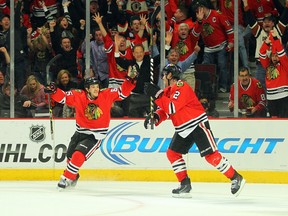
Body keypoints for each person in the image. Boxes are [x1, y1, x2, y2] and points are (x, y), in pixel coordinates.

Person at [143, 64, 245, 198]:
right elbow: (166, 110)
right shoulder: (168, 91)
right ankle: (184, 183)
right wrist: (156, 117)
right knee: (172, 154)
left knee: (211, 156)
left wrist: (157, 95)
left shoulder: (181, 87)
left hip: (197, 124)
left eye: (163, 74)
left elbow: (172, 107)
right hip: (183, 128)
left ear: (169, 75)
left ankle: (236, 177)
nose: (162, 77)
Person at [45, 66, 137, 189]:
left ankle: (65, 178)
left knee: (79, 154)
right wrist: (54, 91)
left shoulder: (106, 94)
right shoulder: (79, 95)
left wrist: (130, 81)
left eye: (97, 86)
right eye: (93, 87)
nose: (96, 89)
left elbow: (122, 93)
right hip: (80, 132)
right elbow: (64, 97)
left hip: (96, 135)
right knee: (70, 157)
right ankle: (74, 176)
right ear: (87, 89)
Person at [259, 30, 288, 117]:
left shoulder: (285, 65)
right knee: (273, 120)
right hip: (271, 97)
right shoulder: (267, 65)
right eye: (273, 56)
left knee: (284, 121)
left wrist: (276, 39)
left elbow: (281, 53)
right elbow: (261, 53)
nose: (275, 58)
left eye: (276, 55)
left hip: (284, 96)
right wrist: (266, 43)